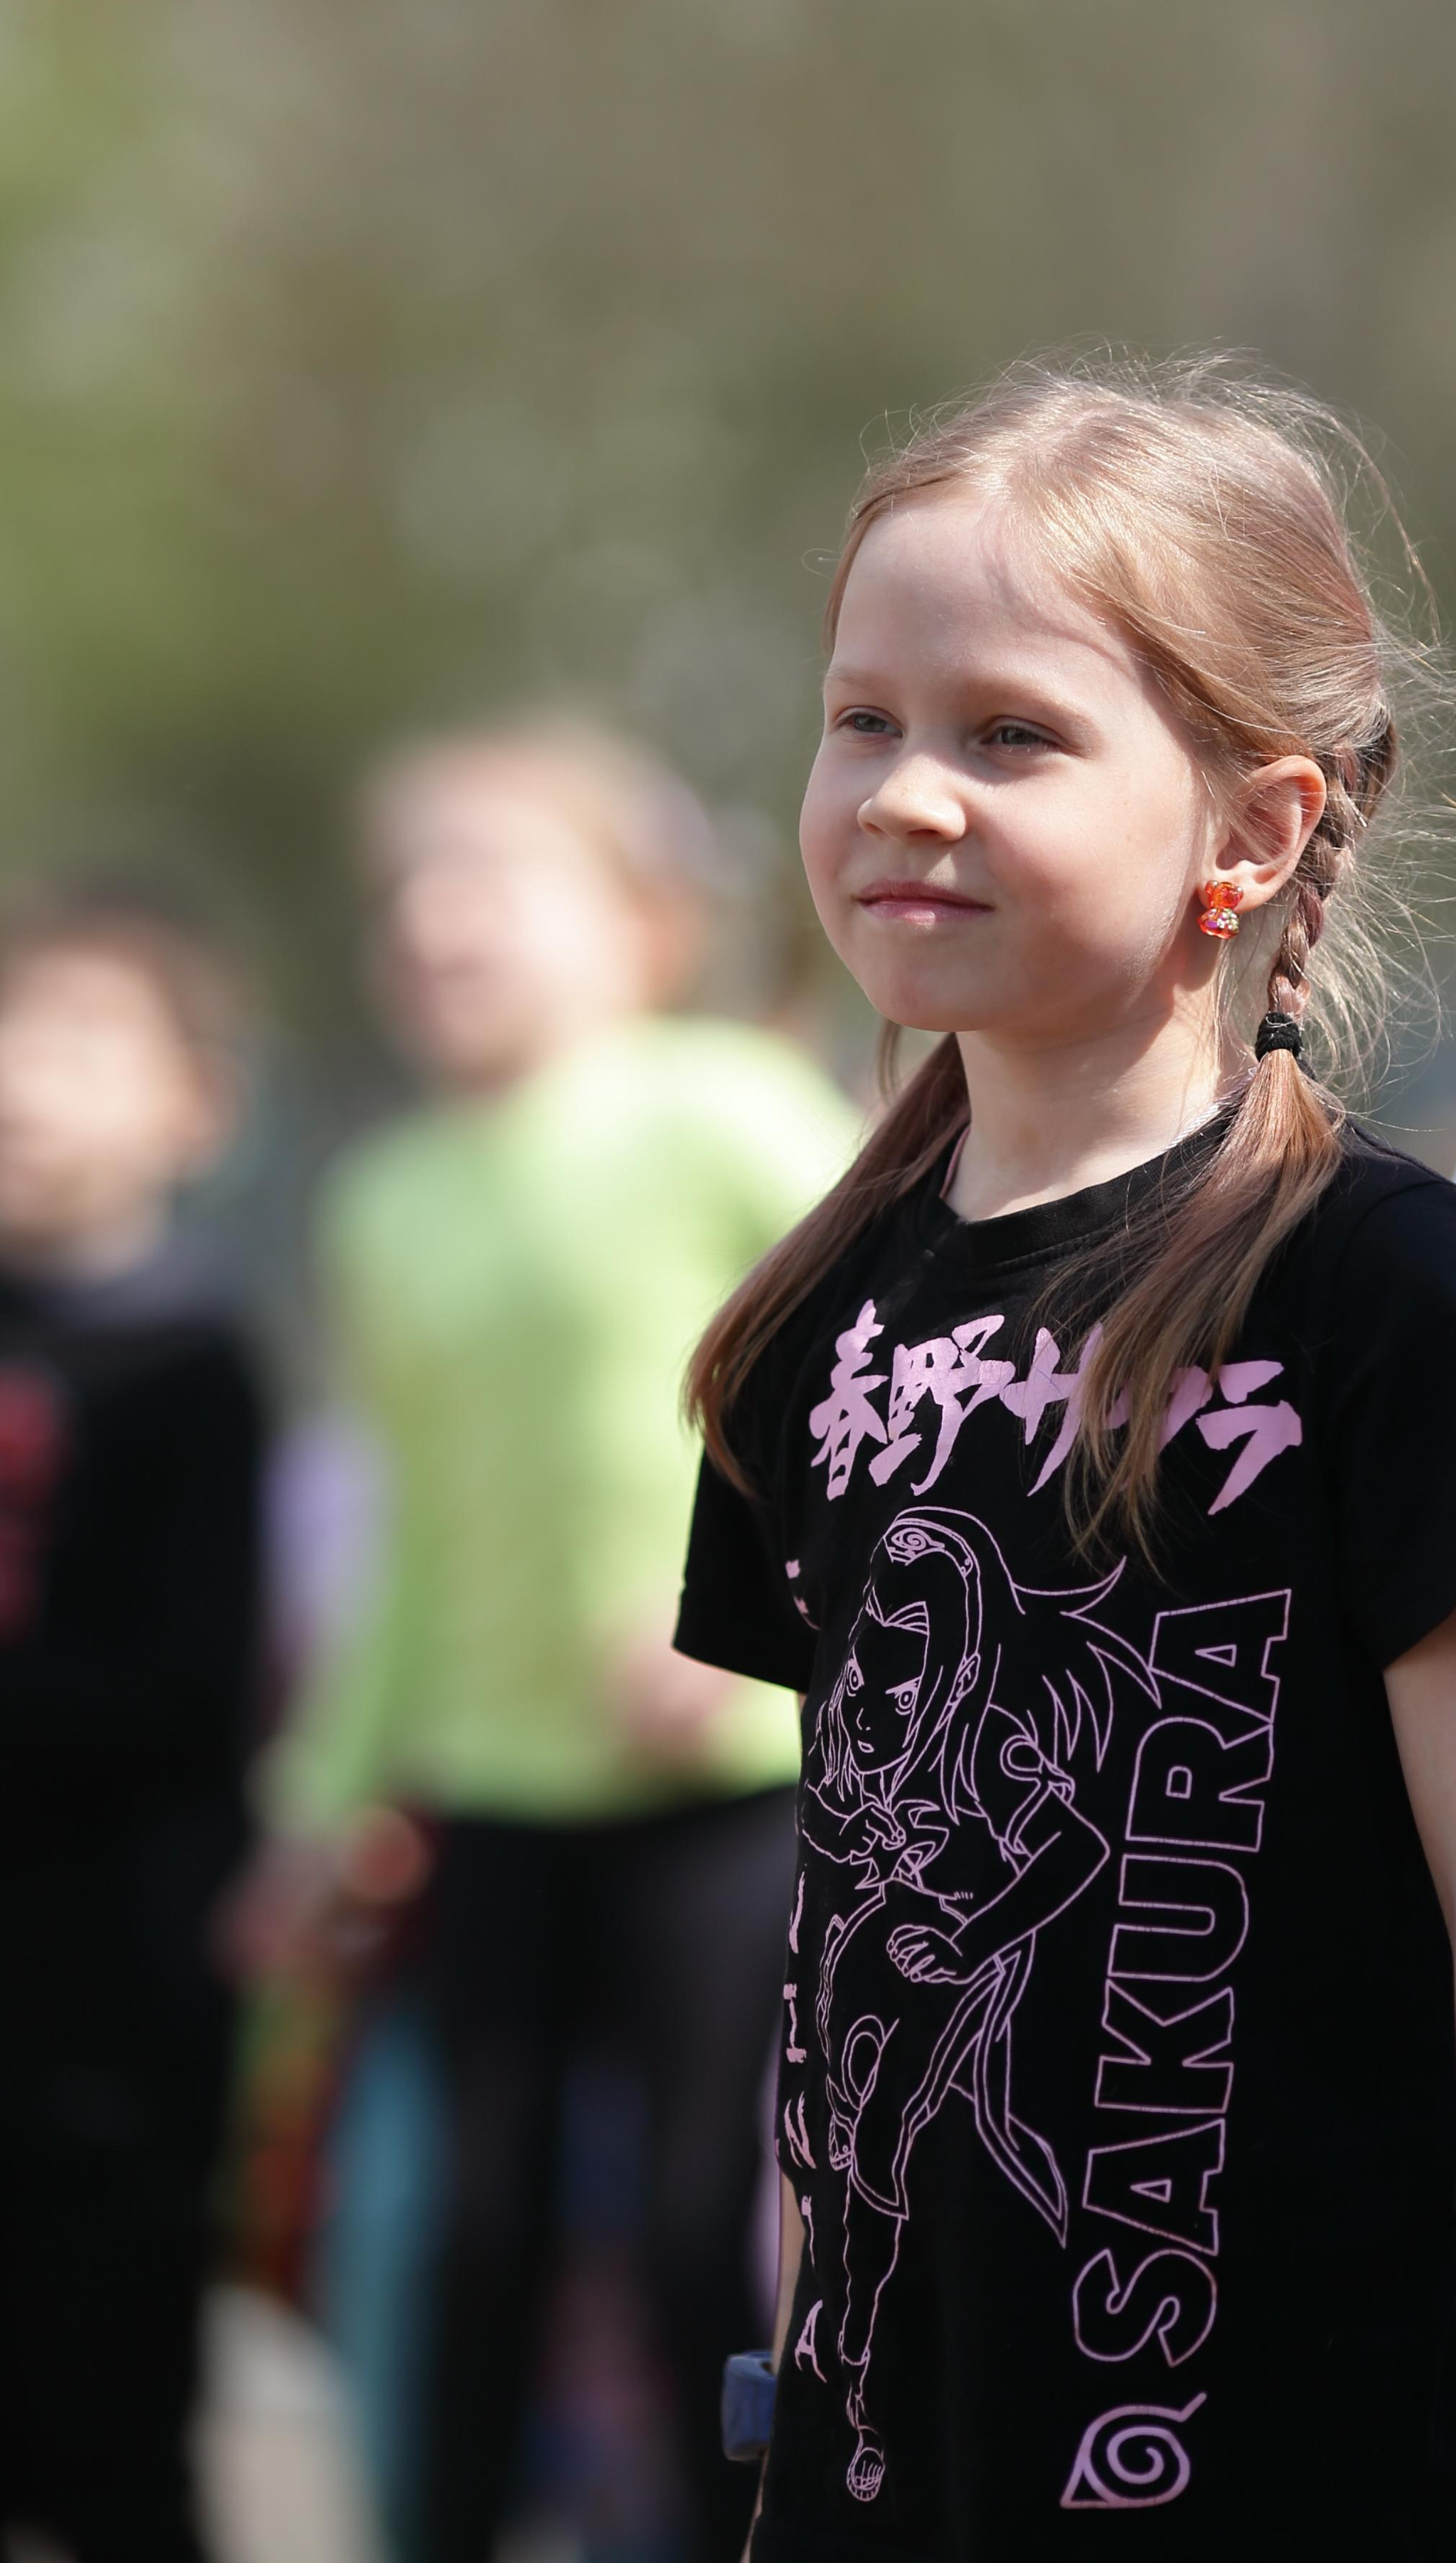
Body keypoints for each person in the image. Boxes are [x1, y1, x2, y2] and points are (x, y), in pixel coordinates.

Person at [675, 363, 1456, 2561]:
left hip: (1283, 2468)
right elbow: (836, 1931)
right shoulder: (812, 1315)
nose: (906, 791)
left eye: (1010, 733)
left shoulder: (1382, 1283)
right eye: (863, 718)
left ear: (1256, 825)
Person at [245, 716, 857, 2563]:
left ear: (644, 920)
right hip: (491, 1786)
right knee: (467, 2231)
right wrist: (323, 1800)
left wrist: (766, 1626)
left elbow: (874, 1370)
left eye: (492, 873)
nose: (436, 917)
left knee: (699, 2228)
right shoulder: (386, 1203)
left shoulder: (724, 1108)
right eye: (405, 889)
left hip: (719, 1788)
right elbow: (409, 1543)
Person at [0, 885, 268, 2563]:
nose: (25, 1076)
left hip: (111, 1987)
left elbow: (190, 1679)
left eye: (83, 1039)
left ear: (191, 1106)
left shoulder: (190, 1355)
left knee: (107, 2430)